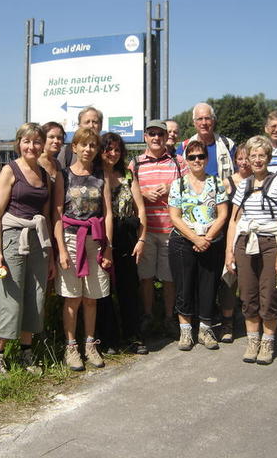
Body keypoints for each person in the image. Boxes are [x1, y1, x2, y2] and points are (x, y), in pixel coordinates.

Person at [0, 123, 54, 374]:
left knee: (35, 297)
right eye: (27, 141)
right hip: (13, 237)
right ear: (19, 143)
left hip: (38, 239)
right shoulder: (10, 170)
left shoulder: (45, 174)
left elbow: (45, 215)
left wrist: (51, 257)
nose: (32, 147)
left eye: (37, 142)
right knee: (11, 297)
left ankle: (26, 353)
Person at [225, 135, 277, 365]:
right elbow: (234, 221)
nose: (256, 160)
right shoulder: (243, 185)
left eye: (261, 155)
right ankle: (252, 341)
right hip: (245, 242)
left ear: (268, 157)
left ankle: (268, 342)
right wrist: (229, 251)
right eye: (252, 156)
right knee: (247, 294)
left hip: (270, 243)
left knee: (269, 293)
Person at [53, 127, 113, 371]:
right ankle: (70, 347)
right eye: (83, 145)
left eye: (93, 146)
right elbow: (56, 213)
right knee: (72, 298)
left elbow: (108, 214)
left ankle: (90, 344)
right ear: (74, 147)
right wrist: (62, 250)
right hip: (70, 239)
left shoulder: (102, 176)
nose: (88, 150)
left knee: (91, 298)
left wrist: (108, 247)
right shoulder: (64, 176)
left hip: (95, 240)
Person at [129, 119, 188, 341]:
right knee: (145, 277)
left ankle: (168, 318)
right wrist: (143, 193)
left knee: (169, 278)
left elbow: (191, 182)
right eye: (152, 134)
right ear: (145, 136)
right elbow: (128, 191)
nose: (156, 138)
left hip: (171, 229)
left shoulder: (178, 160)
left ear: (166, 137)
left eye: (160, 134)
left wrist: (172, 186)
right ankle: (147, 316)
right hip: (145, 231)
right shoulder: (134, 163)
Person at [168, 141, 229, 350]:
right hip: (183, 241)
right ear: (186, 159)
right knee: (184, 286)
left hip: (210, 241)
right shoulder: (179, 184)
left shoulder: (216, 182)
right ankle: (185, 332)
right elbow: (175, 217)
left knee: (208, 285)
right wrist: (195, 239)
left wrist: (207, 238)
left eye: (200, 156)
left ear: (207, 158)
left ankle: (205, 329)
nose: (197, 160)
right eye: (192, 157)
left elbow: (223, 214)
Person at [97, 132, 148, 355]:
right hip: (101, 236)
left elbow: (141, 209)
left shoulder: (127, 175)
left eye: (117, 150)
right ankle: (107, 338)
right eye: (109, 149)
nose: (113, 154)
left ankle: (132, 336)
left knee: (128, 288)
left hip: (127, 236)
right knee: (102, 289)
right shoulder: (95, 175)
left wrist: (142, 238)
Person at [218, 146, 252, 343]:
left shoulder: (261, 181)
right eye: (240, 158)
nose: (244, 162)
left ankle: (250, 320)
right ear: (235, 160)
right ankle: (227, 322)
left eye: (247, 158)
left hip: (253, 237)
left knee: (249, 282)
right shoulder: (227, 183)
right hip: (231, 236)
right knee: (229, 281)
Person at [177, 102, 236, 181]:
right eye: (200, 119)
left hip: (223, 191)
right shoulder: (184, 147)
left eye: (207, 118)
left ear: (213, 121)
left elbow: (239, 173)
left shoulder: (228, 144)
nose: (204, 123)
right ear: (194, 123)